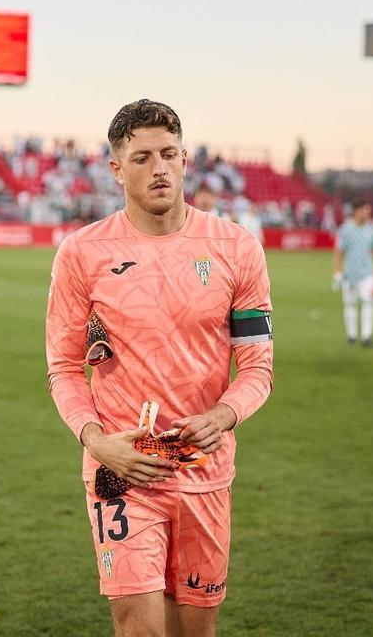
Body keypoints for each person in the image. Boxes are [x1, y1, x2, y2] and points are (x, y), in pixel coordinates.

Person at [46, 99, 273, 637]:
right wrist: (96, 442)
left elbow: (258, 367)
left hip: (203, 468)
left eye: (169, 154)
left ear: (185, 159)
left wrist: (224, 415)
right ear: (116, 169)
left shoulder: (237, 248)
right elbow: (64, 367)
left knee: (195, 631)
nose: (159, 168)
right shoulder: (82, 253)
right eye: (142, 158)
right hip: (124, 467)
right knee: (141, 630)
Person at [332, 201, 373, 347]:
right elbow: (339, 252)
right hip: (349, 273)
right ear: (357, 211)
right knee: (350, 304)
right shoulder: (345, 230)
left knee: (368, 302)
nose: (368, 213)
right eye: (365, 210)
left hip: (367, 273)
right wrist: (337, 273)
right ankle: (351, 335)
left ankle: (367, 335)